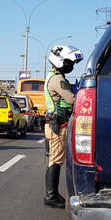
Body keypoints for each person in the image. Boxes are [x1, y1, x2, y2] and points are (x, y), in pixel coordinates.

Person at [43, 45, 83, 208]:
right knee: (56, 160)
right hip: (58, 125)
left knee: (55, 159)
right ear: (59, 61)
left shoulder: (54, 76)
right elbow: (73, 100)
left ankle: (52, 194)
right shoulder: (57, 79)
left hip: (57, 124)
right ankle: (51, 195)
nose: (71, 66)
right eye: (68, 62)